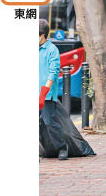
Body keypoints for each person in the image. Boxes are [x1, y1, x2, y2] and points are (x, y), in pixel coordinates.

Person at [39, 19, 68, 160]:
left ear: (43, 35)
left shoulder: (51, 50)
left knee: (49, 122)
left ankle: (62, 148)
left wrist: (44, 92)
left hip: (46, 95)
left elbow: (53, 72)